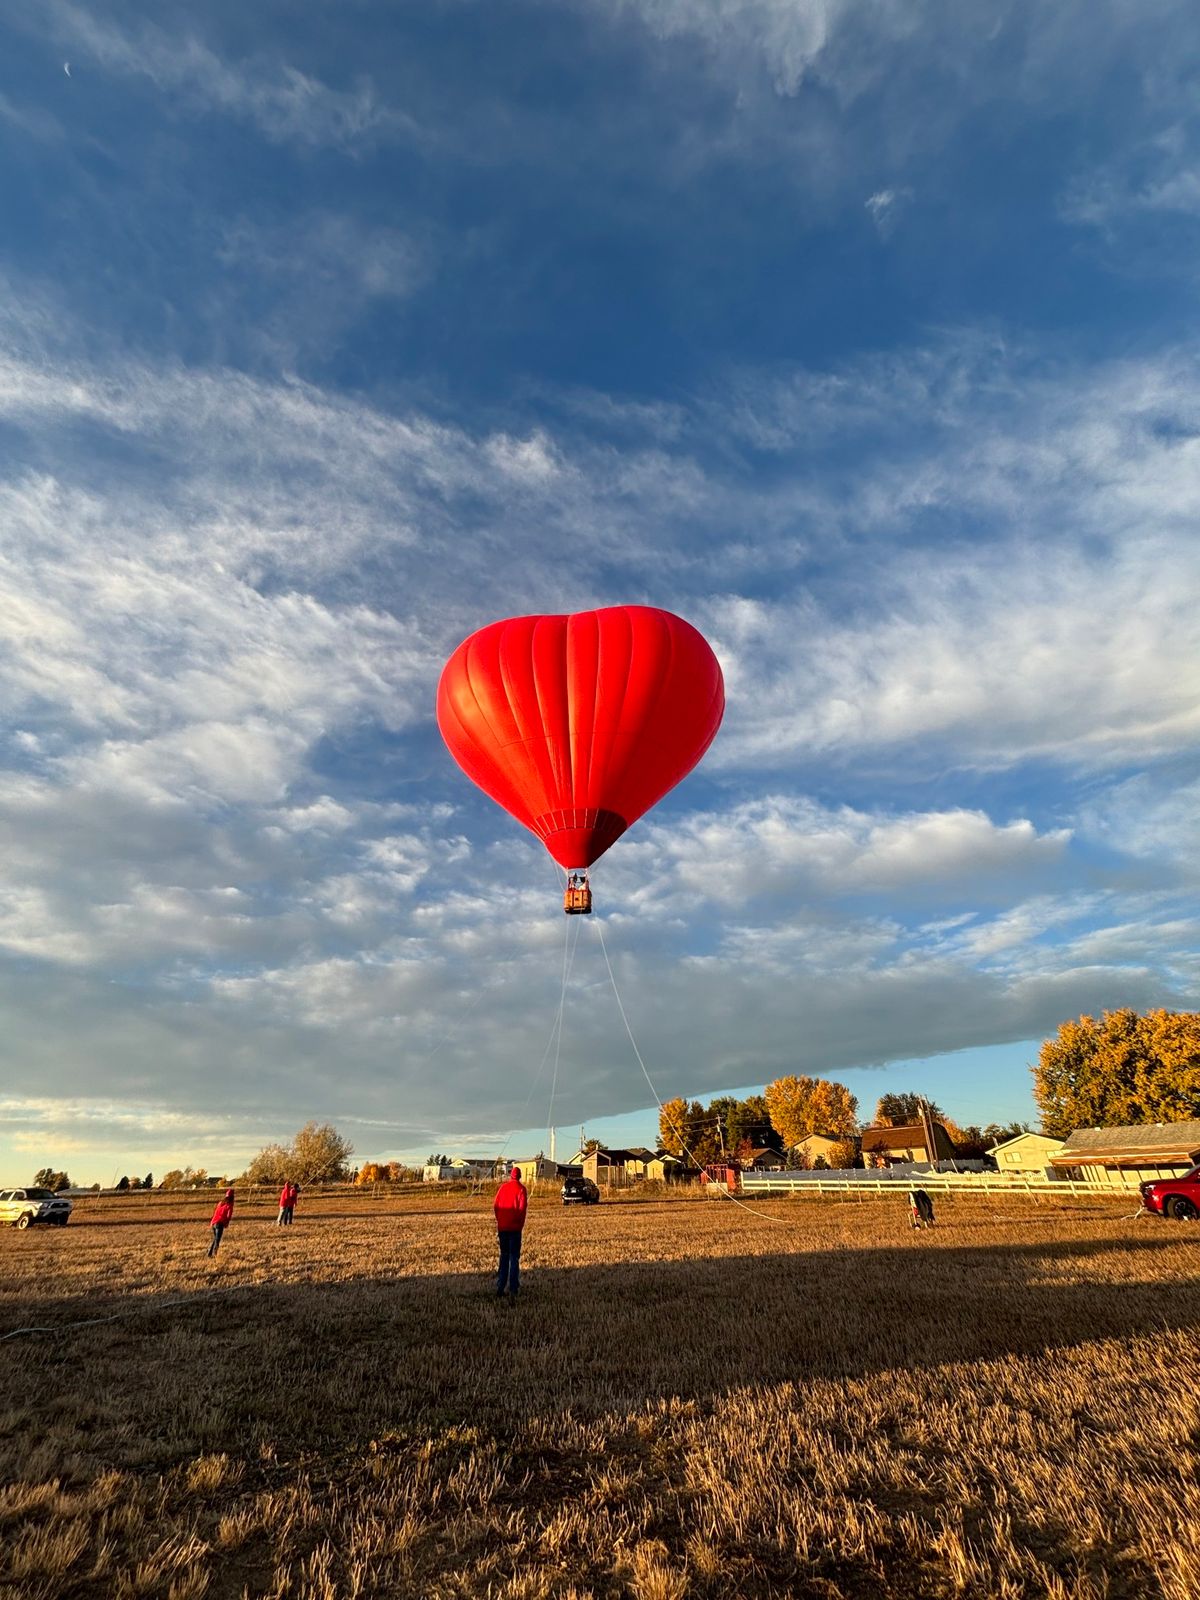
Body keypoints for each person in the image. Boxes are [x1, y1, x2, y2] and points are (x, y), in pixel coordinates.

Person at [493, 1164, 528, 1298]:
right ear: (519, 1176)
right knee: (514, 1258)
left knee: (504, 1256)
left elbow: (496, 1206)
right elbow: (521, 1210)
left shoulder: (503, 1188)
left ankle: (500, 1286)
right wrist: (519, 1225)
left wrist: (500, 1220)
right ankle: (513, 1287)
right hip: (514, 1229)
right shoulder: (521, 1189)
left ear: (510, 1175)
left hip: (502, 1228)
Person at [208, 1187, 234, 1256]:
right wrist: (226, 1223)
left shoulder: (220, 1203)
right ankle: (214, 1254)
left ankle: (209, 1253)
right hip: (220, 1224)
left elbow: (216, 1212)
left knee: (215, 1238)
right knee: (217, 1240)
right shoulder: (229, 1205)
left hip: (213, 1222)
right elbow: (228, 1216)